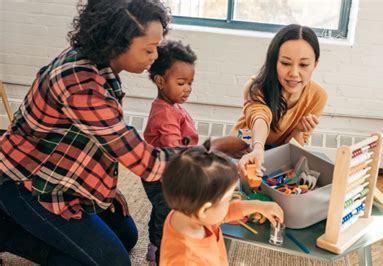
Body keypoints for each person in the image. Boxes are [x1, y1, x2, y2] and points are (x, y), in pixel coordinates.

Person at [0, 0, 244, 264]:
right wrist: (214, 148)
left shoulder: (101, 65)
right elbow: (145, 161)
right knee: (115, 263)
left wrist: (103, 187)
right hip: (28, 186)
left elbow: (100, 140)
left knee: (127, 235)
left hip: (60, 176)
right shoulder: (80, 84)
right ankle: (7, 232)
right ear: (117, 42)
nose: (156, 57)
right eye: (149, 50)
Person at [159, 140, 284, 265]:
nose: (230, 202)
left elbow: (224, 213)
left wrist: (259, 206)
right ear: (204, 209)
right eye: (227, 200)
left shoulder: (189, 213)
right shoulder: (184, 260)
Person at [232, 24, 328, 174]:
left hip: (278, 152)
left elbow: (294, 149)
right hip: (245, 146)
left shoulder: (317, 96)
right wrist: (258, 149)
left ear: (315, 64)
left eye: (303, 65)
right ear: (274, 61)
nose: (294, 73)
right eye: (285, 63)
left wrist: (298, 130)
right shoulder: (256, 87)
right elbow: (260, 116)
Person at [141, 40, 198, 263]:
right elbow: (173, 151)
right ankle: (161, 252)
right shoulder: (164, 115)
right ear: (161, 81)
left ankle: (155, 245)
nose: (188, 88)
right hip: (161, 175)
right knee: (167, 212)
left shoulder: (172, 106)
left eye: (190, 83)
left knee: (162, 208)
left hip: (169, 172)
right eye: (182, 82)